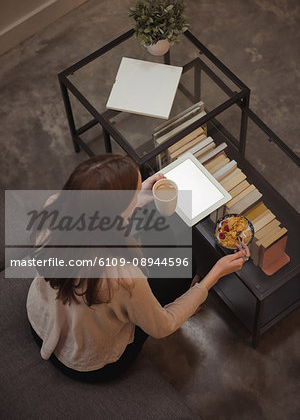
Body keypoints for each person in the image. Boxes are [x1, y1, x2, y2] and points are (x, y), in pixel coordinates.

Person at [27, 153, 250, 382]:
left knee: (161, 238)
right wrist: (213, 275)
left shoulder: (53, 208)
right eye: (134, 191)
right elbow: (163, 326)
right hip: (86, 361)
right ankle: (188, 300)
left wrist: (138, 195)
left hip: (40, 321)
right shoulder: (124, 278)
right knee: (185, 266)